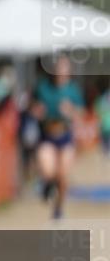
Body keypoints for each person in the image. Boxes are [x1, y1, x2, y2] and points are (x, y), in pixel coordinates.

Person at [31, 55, 85, 219]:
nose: (61, 71)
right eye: (58, 67)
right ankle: (47, 185)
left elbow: (81, 116)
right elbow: (32, 107)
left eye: (64, 68)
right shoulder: (43, 88)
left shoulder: (73, 90)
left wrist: (71, 111)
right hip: (47, 135)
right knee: (48, 171)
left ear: (68, 70)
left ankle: (59, 207)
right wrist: (36, 111)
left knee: (62, 175)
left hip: (65, 136)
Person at [95, 80, 110, 160]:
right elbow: (97, 113)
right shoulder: (101, 98)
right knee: (104, 153)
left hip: (105, 127)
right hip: (103, 128)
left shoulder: (101, 98)